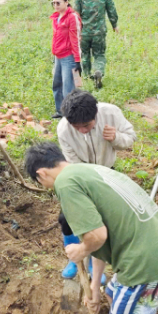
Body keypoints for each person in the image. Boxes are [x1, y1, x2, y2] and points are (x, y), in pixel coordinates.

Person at [24, 142, 158, 314]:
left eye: (42, 183)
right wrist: (95, 286)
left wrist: (80, 250)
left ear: (41, 174)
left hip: (146, 260)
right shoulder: (86, 170)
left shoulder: (66, 184)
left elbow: (97, 236)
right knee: (112, 294)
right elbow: (101, 240)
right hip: (156, 246)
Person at [55, 89, 136, 278]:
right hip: (80, 177)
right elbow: (72, 163)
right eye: (77, 127)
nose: (82, 130)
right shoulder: (64, 130)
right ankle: (74, 259)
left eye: (87, 125)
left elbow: (131, 138)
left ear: (96, 115)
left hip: (108, 173)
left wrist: (116, 138)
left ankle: (95, 260)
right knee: (67, 218)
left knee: (104, 218)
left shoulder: (111, 113)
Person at [73, 0, 118, 89]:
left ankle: (87, 77)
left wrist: (75, 32)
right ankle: (98, 71)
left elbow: (75, 15)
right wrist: (115, 24)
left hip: (84, 32)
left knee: (85, 55)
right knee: (99, 54)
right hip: (99, 32)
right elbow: (111, 10)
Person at [50, 0, 82, 119]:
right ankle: (60, 111)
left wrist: (77, 60)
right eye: (53, 3)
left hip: (68, 57)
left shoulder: (72, 17)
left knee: (67, 88)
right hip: (58, 56)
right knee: (57, 84)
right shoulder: (56, 17)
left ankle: (70, 115)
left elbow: (75, 39)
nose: (55, 6)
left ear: (66, 2)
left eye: (58, 3)